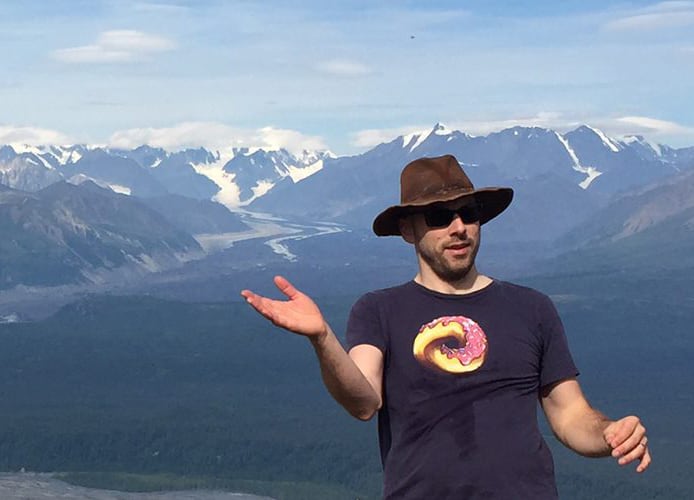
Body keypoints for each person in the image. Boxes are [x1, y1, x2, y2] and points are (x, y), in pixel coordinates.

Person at [240, 154, 651, 499]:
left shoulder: (532, 308)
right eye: (439, 216)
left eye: (468, 214)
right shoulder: (379, 310)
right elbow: (363, 400)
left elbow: (570, 416)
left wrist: (610, 433)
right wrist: (322, 338)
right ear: (407, 230)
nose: (459, 227)